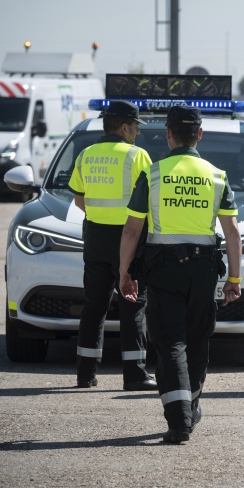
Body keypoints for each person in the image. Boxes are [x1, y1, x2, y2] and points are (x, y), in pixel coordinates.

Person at [118, 105, 243, 444]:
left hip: (163, 271)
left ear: (169, 135)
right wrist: (234, 279)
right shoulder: (217, 176)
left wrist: (124, 273)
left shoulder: (154, 174)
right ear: (200, 135)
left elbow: (132, 231)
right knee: (198, 338)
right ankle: (192, 405)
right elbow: (232, 233)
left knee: (170, 341)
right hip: (203, 270)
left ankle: (179, 420)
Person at [67, 100, 157, 391]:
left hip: (94, 236)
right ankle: (134, 375)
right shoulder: (137, 156)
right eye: (135, 127)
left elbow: (79, 200)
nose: (138, 133)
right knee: (133, 305)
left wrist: (100, 217)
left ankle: (85, 374)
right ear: (123, 127)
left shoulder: (85, 155)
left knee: (94, 306)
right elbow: (149, 202)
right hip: (127, 239)